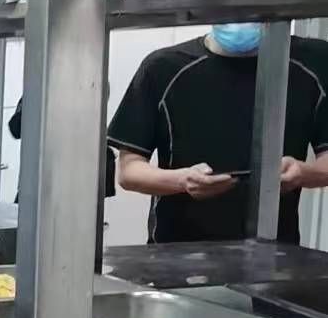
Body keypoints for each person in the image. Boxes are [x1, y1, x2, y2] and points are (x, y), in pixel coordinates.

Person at [110, 24, 328, 243]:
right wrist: (182, 180)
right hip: (177, 251)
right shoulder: (162, 68)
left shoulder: (314, 62)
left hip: (275, 249)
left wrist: (304, 173)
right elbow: (129, 171)